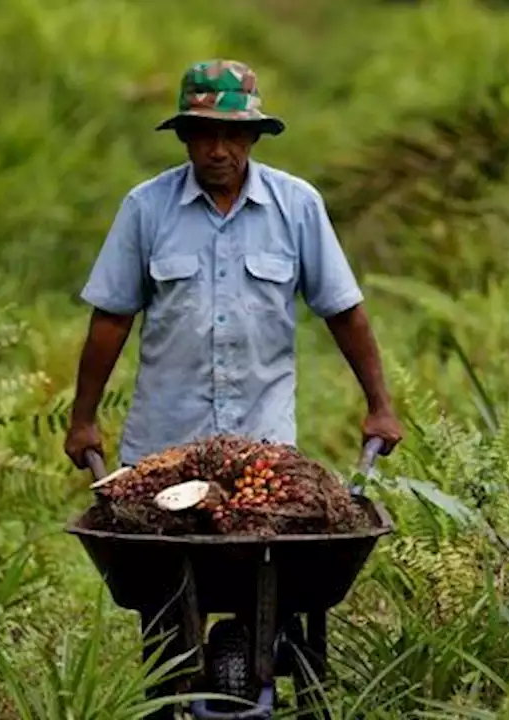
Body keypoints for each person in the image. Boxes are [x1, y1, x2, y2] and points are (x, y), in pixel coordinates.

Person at [63, 58, 403, 715]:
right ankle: (167, 696)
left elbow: (343, 309)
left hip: (263, 455)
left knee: (266, 588)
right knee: (165, 613)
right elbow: (111, 319)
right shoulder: (146, 208)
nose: (218, 149)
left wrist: (380, 405)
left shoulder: (297, 207)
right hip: (165, 447)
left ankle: (265, 659)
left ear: (254, 137)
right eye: (202, 133)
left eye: (232, 134)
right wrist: (83, 419)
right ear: (184, 136)